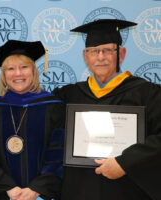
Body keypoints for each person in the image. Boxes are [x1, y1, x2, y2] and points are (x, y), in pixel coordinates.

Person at [52, 19, 161, 200]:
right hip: (79, 190)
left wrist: (125, 163)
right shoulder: (68, 95)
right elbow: (36, 115)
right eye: (94, 51)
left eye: (108, 50)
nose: (101, 57)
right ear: (86, 56)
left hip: (128, 190)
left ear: (121, 54)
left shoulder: (147, 94)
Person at [0, 40, 65, 200]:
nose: (18, 74)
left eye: (24, 67)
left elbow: (58, 152)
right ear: (4, 75)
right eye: (11, 69)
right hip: (4, 195)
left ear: (33, 71)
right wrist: (8, 188)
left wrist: (36, 189)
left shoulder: (53, 107)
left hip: (41, 196)